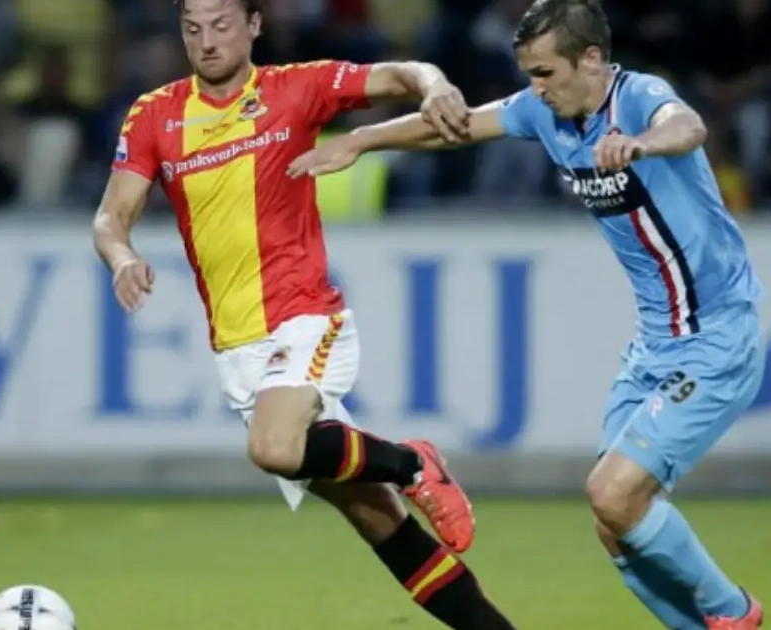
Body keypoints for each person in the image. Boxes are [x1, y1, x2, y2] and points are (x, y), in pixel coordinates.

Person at [288, 1, 765, 629]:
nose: (536, 89)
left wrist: (641, 144)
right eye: (530, 75)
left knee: (614, 494)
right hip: (655, 346)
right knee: (616, 523)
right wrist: (361, 140)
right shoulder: (546, 113)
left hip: (718, 337)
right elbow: (455, 126)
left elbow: (688, 126)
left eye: (545, 73)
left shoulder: (638, 98)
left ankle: (733, 613)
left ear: (590, 60)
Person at [92, 1, 519, 629]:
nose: (207, 41)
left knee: (274, 447)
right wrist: (122, 256)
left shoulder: (296, 88)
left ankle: (411, 461)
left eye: (221, 25)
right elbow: (110, 216)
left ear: (254, 25)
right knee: (378, 520)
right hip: (237, 349)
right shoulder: (155, 114)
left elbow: (402, 73)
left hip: (303, 316)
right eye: (192, 29)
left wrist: (435, 85)